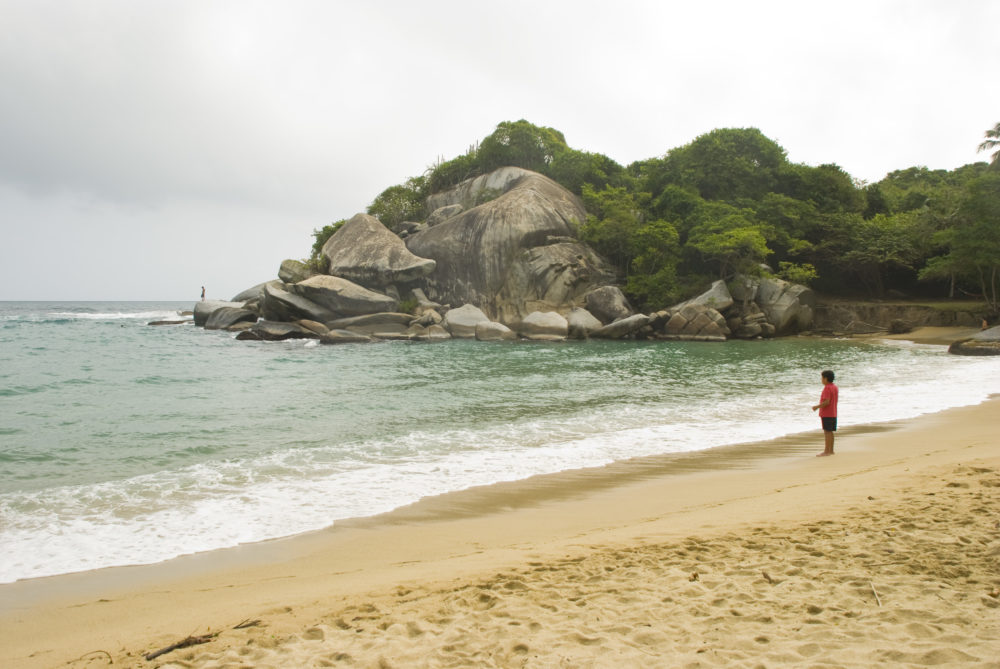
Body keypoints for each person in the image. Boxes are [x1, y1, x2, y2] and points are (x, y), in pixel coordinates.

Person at [811, 370, 838, 457]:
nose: (821, 380)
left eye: (822, 378)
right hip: (833, 413)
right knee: (830, 432)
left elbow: (827, 402)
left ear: (825, 379)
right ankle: (831, 450)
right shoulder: (834, 387)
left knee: (827, 432)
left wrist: (816, 407)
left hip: (827, 413)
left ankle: (826, 451)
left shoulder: (827, 388)